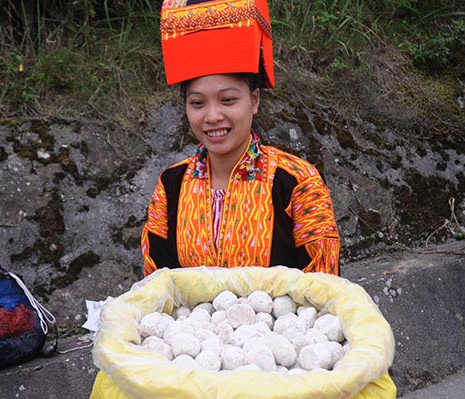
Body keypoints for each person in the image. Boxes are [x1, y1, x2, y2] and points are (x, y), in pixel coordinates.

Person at [141, 0, 340, 276]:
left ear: (254, 100)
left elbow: (324, 286)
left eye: (228, 100)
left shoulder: (297, 181)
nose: (212, 116)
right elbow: (156, 286)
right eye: (197, 103)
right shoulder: (170, 185)